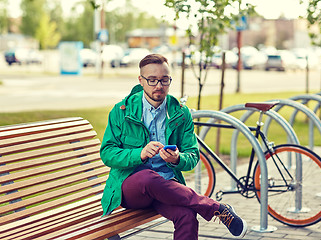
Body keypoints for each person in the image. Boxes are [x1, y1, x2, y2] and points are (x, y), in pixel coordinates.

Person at [100, 53, 247, 239]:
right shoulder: (122, 111)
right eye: (152, 80)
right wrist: (140, 154)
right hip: (131, 188)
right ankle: (216, 208)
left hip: (167, 187)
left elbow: (193, 156)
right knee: (147, 177)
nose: (159, 86)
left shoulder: (180, 113)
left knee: (187, 215)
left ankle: (213, 209)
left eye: (164, 80)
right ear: (141, 80)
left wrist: (178, 159)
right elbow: (107, 153)